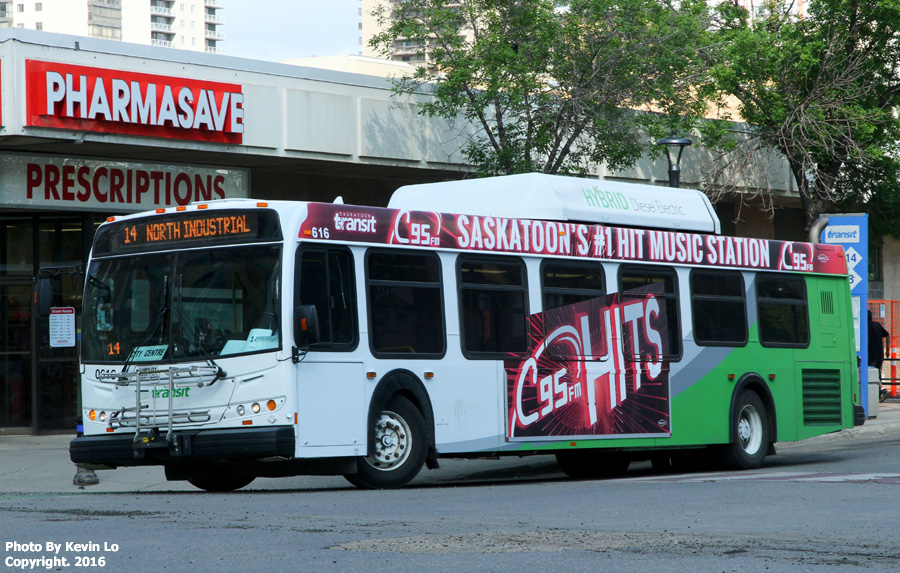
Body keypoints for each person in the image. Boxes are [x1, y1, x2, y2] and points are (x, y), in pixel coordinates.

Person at [868, 311, 890, 401]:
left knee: (871, 374)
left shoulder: (864, 326)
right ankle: (878, 395)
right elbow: (887, 335)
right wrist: (887, 349)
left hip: (870, 355)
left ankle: (882, 390)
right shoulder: (877, 325)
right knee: (877, 373)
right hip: (879, 354)